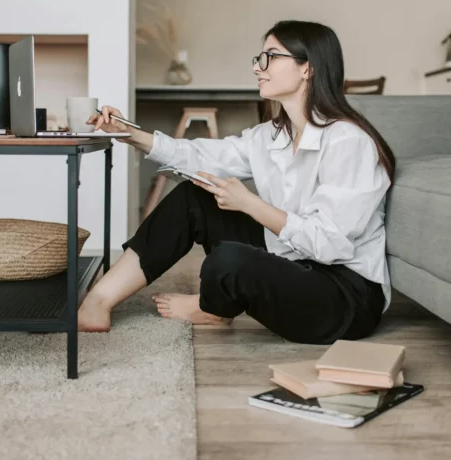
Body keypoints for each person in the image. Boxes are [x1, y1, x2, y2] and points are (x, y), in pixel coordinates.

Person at [78, 20, 395, 345]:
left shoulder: (347, 142)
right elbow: (198, 156)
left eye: (271, 57)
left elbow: (330, 245)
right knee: (194, 197)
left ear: (307, 68)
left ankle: (213, 307)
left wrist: (250, 204)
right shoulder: (271, 135)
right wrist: (130, 135)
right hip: (294, 261)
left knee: (228, 261)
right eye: (259, 58)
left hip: (345, 294)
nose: (259, 68)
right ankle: (100, 299)